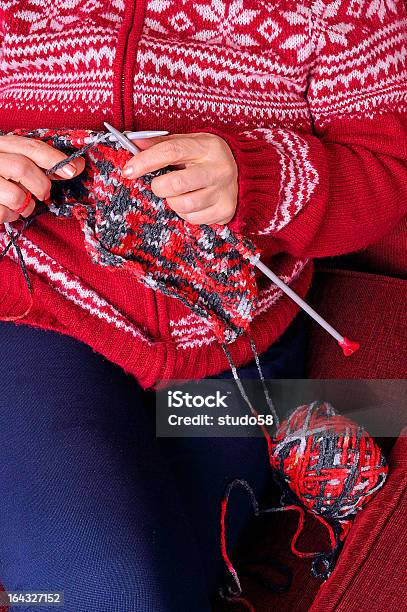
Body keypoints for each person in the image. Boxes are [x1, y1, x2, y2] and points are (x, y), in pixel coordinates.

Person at [0, 2, 406, 610]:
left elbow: (386, 171)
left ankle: (307, 416)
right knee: (104, 589)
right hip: (42, 321)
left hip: (238, 344)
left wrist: (259, 177)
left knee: (161, 582)